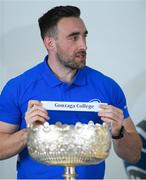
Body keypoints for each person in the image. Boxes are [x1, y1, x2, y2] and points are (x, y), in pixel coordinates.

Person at [0, 5, 142, 179]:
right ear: (50, 43)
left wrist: (119, 132)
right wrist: (28, 134)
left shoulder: (107, 87)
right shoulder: (19, 87)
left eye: (84, 36)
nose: (83, 45)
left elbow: (134, 155)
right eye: (73, 38)